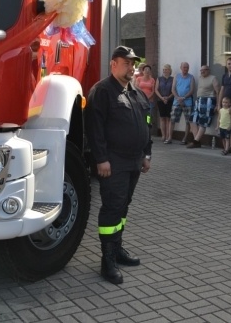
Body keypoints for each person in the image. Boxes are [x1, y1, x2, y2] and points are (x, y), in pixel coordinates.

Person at [85, 45, 152, 285]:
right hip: (113, 162)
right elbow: (95, 129)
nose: (131, 67)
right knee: (113, 208)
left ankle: (118, 249)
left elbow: (146, 123)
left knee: (123, 206)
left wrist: (147, 154)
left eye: (133, 63)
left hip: (134, 160)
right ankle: (107, 261)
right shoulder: (102, 91)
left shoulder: (136, 92)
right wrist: (101, 158)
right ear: (113, 64)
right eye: (126, 63)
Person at [188, 64, 220, 148]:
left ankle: (196, 141)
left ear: (208, 70)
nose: (202, 71)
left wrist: (218, 104)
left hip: (208, 101)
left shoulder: (213, 78)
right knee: (192, 119)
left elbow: (218, 92)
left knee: (203, 122)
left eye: (204, 70)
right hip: (199, 101)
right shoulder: (200, 78)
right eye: (201, 70)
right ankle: (197, 141)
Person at [171, 62, 196, 145]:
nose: (186, 69)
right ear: (181, 67)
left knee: (188, 121)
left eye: (187, 67)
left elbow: (192, 90)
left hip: (187, 102)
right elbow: (173, 89)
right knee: (172, 119)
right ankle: (169, 137)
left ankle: (185, 139)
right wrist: (178, 98)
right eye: (184, 67)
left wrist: (183, 98)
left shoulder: (191, 77)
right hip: (176, 101)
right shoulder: (176, 76)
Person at [155, 64, 174, 144]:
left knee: (169, 118)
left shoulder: (172, 79)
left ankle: (169, 136)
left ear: (170, 70)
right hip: (160, 100)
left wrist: (168, 97)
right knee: (162, 118)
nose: (164, 71)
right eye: (163, 69)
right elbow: (156, 89)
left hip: (170, 100)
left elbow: (174, 90)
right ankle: (163, 135)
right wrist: (162, 98)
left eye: (166, 69)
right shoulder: (159, 79)